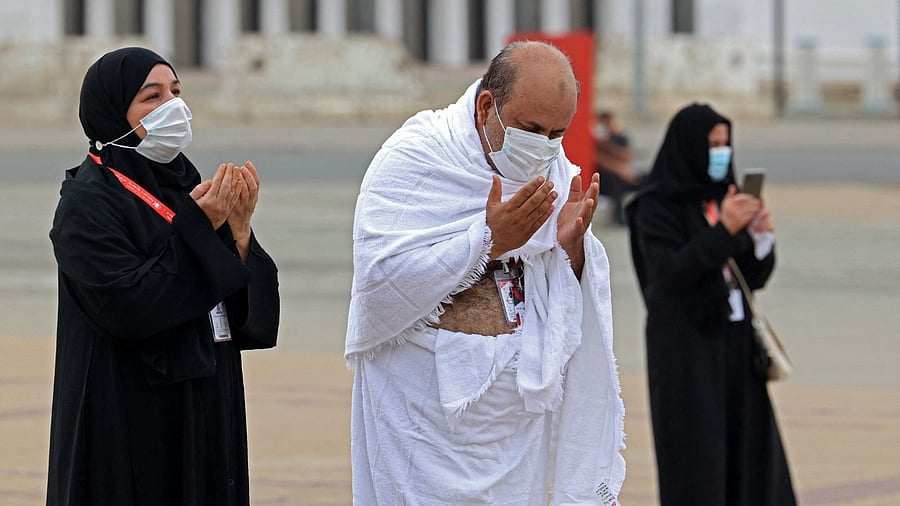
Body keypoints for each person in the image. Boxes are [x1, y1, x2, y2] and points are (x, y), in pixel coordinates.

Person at [345, 41, 626, 505]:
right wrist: (488, 240)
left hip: (514, 430)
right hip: (423, 422)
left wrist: (571, 250)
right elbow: (380, 286)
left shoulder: (555, 170)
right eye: (531, 129)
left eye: (557, 133)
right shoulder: (416, 159)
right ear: (486, 106)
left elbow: (565, 296)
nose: (544, 147)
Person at [46, 47, 280, 505]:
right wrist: (199, 227)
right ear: (112, 111)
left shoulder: (181, 183)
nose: (173, 106)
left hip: (205, 396)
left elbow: (248, 315)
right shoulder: (87, 203)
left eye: (176, 91)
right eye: (151, 97)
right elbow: (130, 307)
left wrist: (240, 233)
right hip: (130, 410)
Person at [625, 103, 796, 505]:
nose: (721, 153)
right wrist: (725, 230)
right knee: (699, 456)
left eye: (725, 144)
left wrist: (759, 239)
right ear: (688, 148)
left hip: (735, 347)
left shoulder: (723, 199)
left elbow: (750, 278)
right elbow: (668, 275)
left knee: (750, 451)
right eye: (712, 144)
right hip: (687, 351)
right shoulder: (654, 208)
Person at [593, 110, 639, 226]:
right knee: (615, 181)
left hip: (624, 175)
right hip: (605, 178)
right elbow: (599, 160)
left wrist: (607, 144)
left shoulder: (617, 138)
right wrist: (619, 170)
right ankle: (619, 218)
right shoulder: (594, 142)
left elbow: (626, 156)